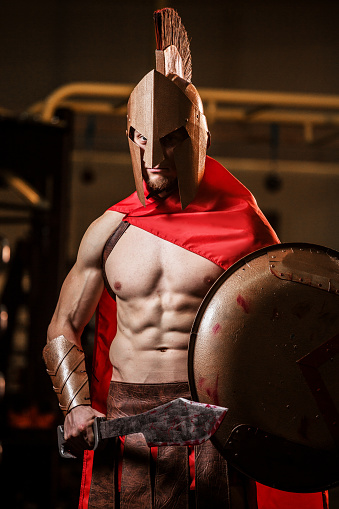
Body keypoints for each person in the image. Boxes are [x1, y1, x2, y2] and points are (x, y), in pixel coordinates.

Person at [43, 8, 328, 509]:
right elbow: (65, 321)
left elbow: (288, 336)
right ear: (132, 140)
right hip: (126, 418)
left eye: (173, 142)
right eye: (146, 143)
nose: (157, 160)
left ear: (198, 142)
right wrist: (75, 405)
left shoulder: (245, 228)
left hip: (212, 419)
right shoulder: (109, 231)